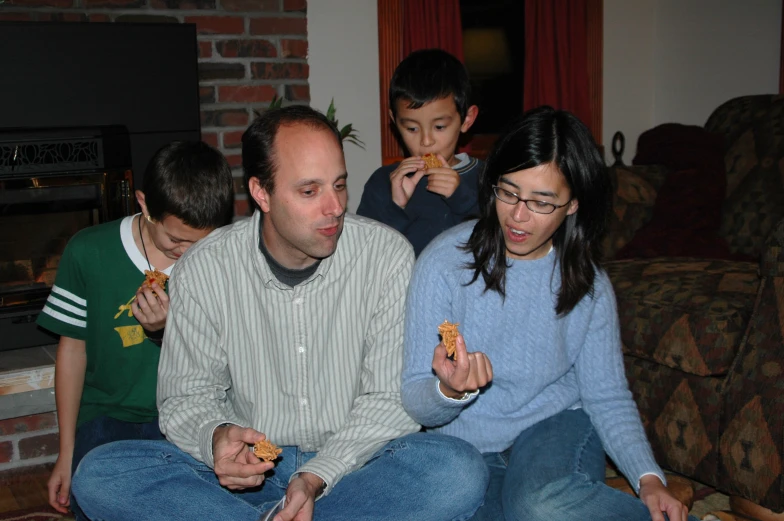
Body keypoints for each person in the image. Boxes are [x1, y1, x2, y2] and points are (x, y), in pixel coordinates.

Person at [71, 105, 487, 521]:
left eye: (339, 185)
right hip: (254, 474)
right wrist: (218, 439)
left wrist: (314, 476)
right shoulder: (205, 266)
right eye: (310, 191)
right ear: (261, 193)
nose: (335, 207)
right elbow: (185, 398)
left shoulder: (385, 256)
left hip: (350, 466)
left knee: (458, 470)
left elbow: (385, 401)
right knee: (99, 473)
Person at [401, 106, 698, 521]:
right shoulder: (443, 264)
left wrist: (647, 477)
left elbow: (607, 395)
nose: (518, 216)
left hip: (555, 428)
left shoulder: (589, 285)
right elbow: (417, 401)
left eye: (542, 202)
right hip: (467, 449)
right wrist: (450, 392)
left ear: (573, 204)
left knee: (539, 505)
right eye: (508, 192)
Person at [36, 140, 234, 520]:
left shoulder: (223, 262)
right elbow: (72, 351)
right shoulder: (88, 251)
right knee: (94, 492)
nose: (187, 251)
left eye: (201, 241)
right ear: (144, 204)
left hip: (192, 415)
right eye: (176, 240)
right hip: (106, 415)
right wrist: (65, 452)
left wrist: (169, 329)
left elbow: (230, 362)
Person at [357, 48, 481, 257]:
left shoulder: (488, 179)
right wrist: (395, 207)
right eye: (412, 128)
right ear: (395, 121)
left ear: (466, 120)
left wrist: (461, 199)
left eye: (439, 127)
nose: (426, 141)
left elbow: (496, 248)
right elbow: (364, 257)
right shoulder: (383, 183)